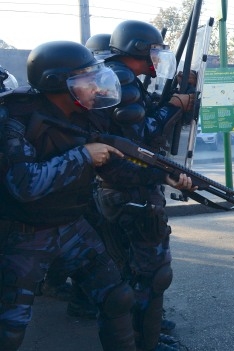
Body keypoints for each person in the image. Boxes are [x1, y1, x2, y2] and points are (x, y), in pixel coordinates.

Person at [0, 40, 136, 351]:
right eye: (86, 79)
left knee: (117, 296)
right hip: (25, 235)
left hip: (71, 225)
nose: (95, 87)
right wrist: (84, 157)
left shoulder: (84, 115)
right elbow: (25, 185)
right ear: (57, 83)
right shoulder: (15, 120)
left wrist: (166, 174)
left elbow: (117, 165)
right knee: (9, 329)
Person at [92, 20, 195, 351]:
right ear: (138, 48)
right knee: (150, 274)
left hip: (115, 188)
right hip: (131, 188)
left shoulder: (110, 76)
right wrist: (174, 106)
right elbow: (142, 138)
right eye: (153, 50)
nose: (158, 56)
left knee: (129, 272)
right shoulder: (122, 80)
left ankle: (144, 337)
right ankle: (142, 343)